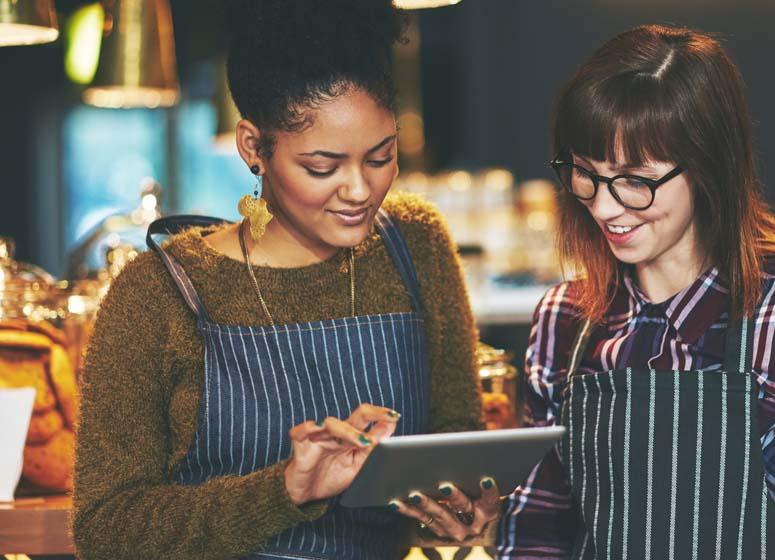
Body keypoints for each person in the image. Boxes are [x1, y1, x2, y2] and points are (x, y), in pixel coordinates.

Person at [72, 2, 498, 558]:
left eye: (380, 157)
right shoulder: (159, 294)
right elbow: (105, 529)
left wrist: (454, 508)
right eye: (322, 167)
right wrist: (285, 489)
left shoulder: (414, 245)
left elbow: (453, 441)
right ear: (254, 147)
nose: (359, 190)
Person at [497, 25, 775, 559]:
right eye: (585, 174)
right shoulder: (567, 319)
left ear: (706, 166)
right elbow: (538, 522)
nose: (605, 206)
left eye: (635, 179)